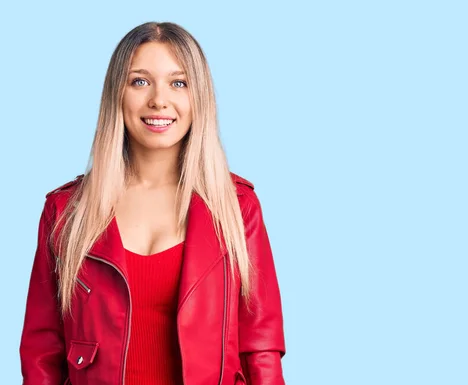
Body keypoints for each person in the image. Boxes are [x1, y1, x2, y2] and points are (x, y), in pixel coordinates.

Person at [19, 21, 286, 385]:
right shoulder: (66, 212)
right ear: (118, 94)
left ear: (199, 97)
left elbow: (261, 349)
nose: (159, 99)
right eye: (140, 81)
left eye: (179, 83)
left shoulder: (237, 207)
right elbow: (42, 353)